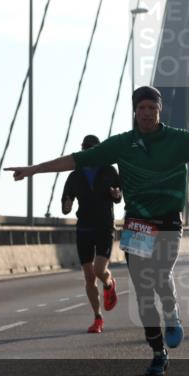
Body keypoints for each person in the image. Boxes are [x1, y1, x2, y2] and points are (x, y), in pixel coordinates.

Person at [7, 86, 189, 376]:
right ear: (135, 111)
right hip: (137, 225)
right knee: (143, 291)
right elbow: (76, 160)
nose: (147, 113)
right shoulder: (122, 144)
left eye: (152, 108)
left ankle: (171, 313)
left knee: (160, 276)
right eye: (142, 108)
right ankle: (158, 352)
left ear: (159, 110)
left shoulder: (178, 140)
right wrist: (34, 169)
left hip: (168, 222)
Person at [61, 134, 121, 334]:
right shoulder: (75, 175)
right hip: (84, 228)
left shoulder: (109, 171)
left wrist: (116, 194)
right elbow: (66, 202)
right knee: (88, 276)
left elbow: (119, 194)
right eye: (86, 148)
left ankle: (109, 283)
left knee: (99, 270)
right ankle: (98, 318)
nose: (89, 152)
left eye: (92, 148)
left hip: (104, 226)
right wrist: (67, 205)